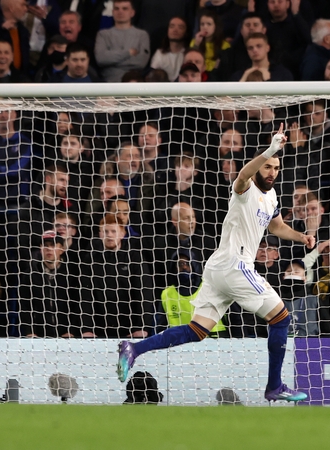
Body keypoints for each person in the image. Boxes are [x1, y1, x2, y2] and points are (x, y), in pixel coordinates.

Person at [117, 124, 315, 403]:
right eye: (268, 166)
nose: (272, 172)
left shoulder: (271, 197)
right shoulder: (244, 189)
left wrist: (301, 236)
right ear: (259, 166)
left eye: (276, 167)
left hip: (219, 268)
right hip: (235, 265)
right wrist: (271, 148)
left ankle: (134, 349)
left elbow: (276, 227)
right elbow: (244, 174)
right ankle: (275, 386)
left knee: (197, 330)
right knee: (281, 319)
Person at [94, 0, 150, 82]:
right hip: (109, 84)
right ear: (113, 12)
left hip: (134, 84)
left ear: (132, 13)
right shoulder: (103, 34)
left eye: (125, 8)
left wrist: (112, 60)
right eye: (117, 9)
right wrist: (128, 53)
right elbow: (101, 59)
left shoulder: (142, 35)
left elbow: (141, 62)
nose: (120, 12)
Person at [149, 17, 187, 81]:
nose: (175, 30)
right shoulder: (159, 53)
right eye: (172, 26)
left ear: (186, 32)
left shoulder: (187, 54)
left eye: (180, 27)